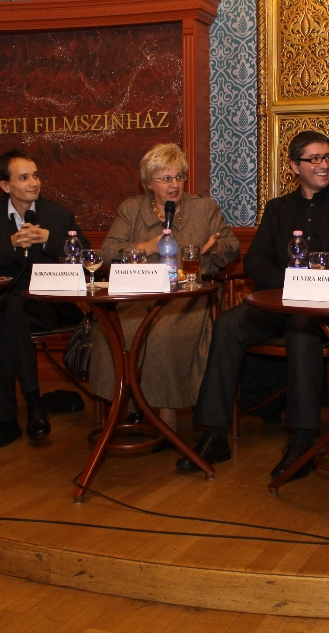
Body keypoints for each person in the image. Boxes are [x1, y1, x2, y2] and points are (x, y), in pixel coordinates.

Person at [176, 130, 329, 479]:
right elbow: (256, 260)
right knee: (228, 324)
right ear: (295, 166)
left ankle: (303, 440)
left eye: (328, 157)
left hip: (328, 309)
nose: (324, 164)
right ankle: (214, 433)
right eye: (314, 159)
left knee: (301, 330)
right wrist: (291, 286)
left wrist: (317, 287)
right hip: (281, 302)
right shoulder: (277, 209)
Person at [89, 143, 239, 439]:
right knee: (110, 330)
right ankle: (128, 404)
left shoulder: (204, 208)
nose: (175, 185)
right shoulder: (131, 209)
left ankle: (167, 415)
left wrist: (217, 246)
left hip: (189, 298)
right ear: (149, 183)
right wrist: (145, 246)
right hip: (138, 296)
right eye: (166, 178)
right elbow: (105, 253)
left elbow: (232, 246)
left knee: (163, 333)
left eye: (179, 177)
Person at [0, 149, 88, 449]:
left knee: (1, 315)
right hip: (9, 304)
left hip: (49, 305)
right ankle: (33, 405)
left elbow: (86, 260)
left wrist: (49, 240)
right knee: (5, 311)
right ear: (5, 185)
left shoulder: (58, 215)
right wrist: (10, 243)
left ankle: (6, 419)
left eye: (35, 175)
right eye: (23, 178)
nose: (34, 183)